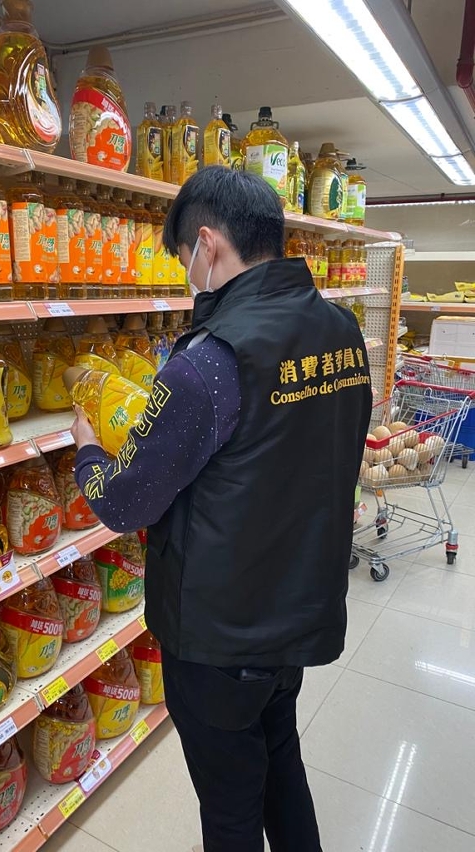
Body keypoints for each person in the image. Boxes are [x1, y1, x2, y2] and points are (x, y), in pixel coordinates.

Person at [70, 166, 372, 852]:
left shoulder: (209, 361)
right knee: (281, 764)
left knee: (230, 807)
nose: (187, 275)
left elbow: (124, 502)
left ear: (206, 245)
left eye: (183, 257)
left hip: (220, 637)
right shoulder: (341, 330)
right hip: (297, 614)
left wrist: (88, 450)